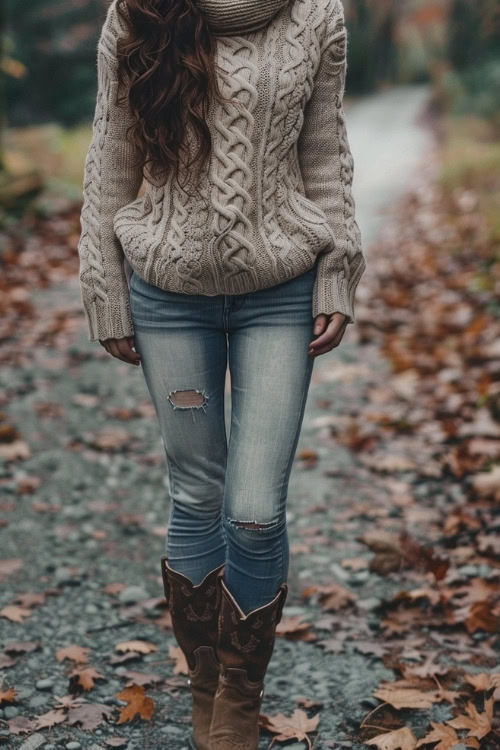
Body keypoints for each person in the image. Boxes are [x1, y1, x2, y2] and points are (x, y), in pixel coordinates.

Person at [77, 0, 365, 747]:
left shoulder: (317, 16)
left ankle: (241, 689)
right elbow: (111, 156)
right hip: (168, 297)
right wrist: (105, 291)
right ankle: (208, 685)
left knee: (255, 508)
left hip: (281, 293)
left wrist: (337, 271)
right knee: (197, 488)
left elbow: (325, 152)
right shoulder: (138, 12)